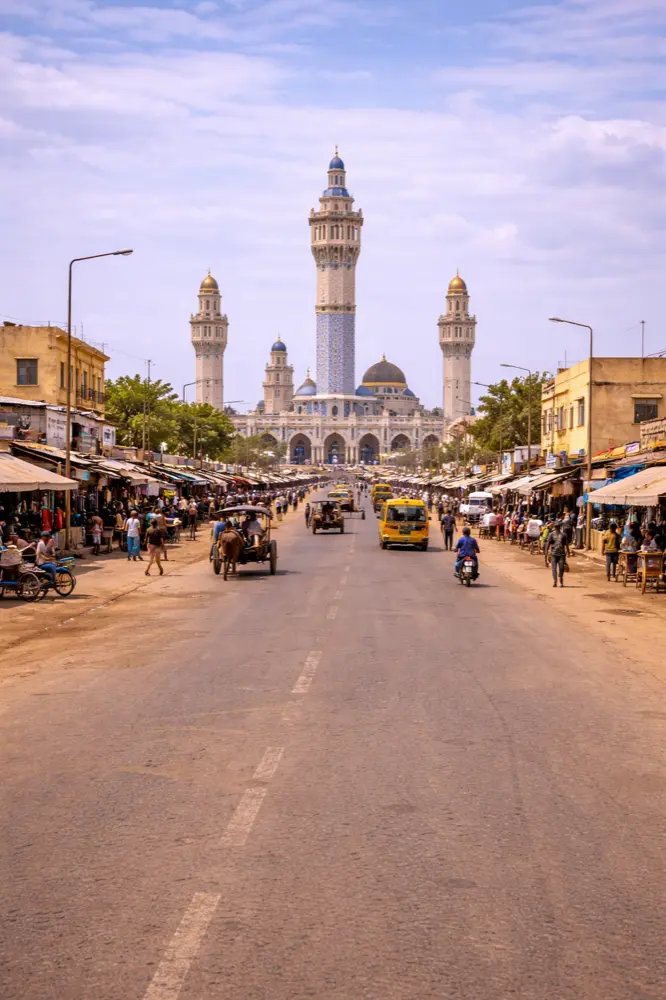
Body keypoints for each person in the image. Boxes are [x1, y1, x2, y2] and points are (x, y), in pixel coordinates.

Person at [546, 521, 567, 587]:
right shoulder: (551, 534)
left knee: (561, 568)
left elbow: (566, 544)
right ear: (555, 527)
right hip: (553, 554)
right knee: (554, 568)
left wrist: (568, 553)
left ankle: (560, 578)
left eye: (558, 527)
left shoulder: (563, 535)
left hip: (561, 554)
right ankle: (555, 581)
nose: (557, 528)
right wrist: (546, 552)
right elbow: (548, 543)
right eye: (556, 527)